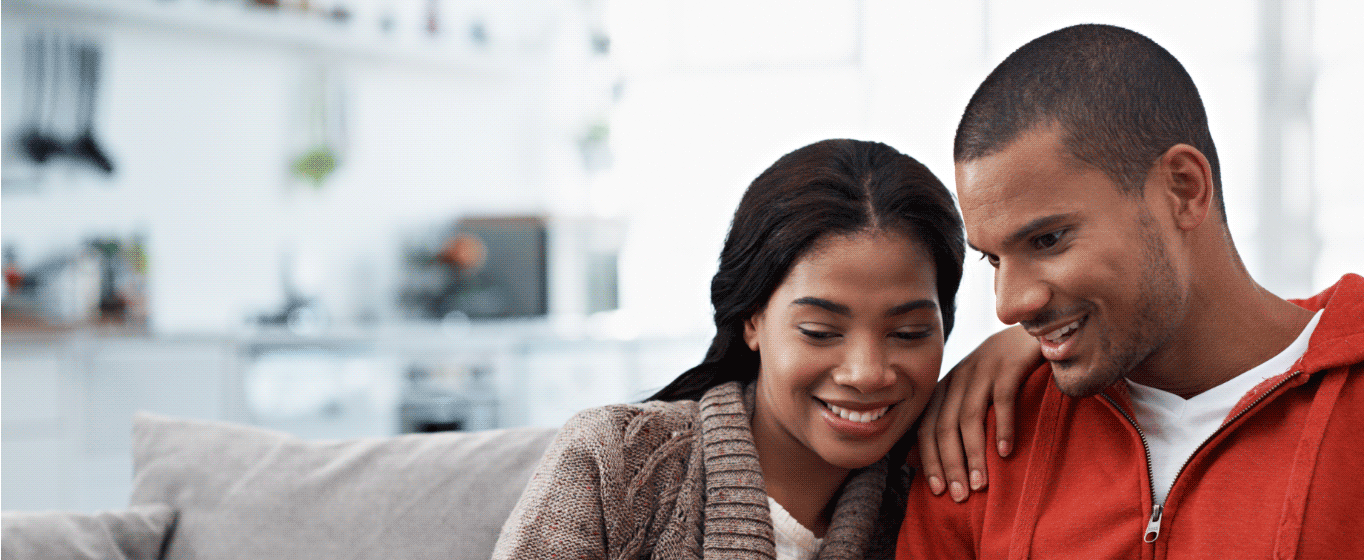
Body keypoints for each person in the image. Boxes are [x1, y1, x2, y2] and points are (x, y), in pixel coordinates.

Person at [898, 23, 1364, 558]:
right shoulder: (978, 445)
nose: (1009, 306)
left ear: (1183, 189)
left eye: (1048, 240)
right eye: (994, 259)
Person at [494, 138, 992, 559]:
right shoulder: (615, 460)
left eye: (908, 334)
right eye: (819, 331)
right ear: (753, 319)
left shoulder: (944, 496)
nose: (866, 373)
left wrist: (1017, 344)